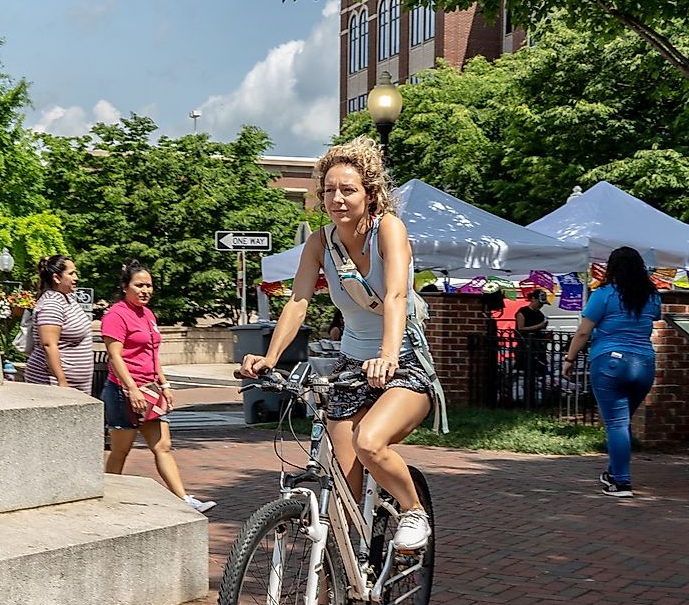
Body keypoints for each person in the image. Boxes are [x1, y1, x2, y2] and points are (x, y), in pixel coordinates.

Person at [239, 136, 439, 552]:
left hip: (402, 361)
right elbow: (298, 301)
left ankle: (413, 510)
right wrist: (270, 358)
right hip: (352, 365)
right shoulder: (320, 241)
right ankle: (332, 594)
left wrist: (387, 356)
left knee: (369, 443)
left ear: (370, 192)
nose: (337, 199)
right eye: (329, 190)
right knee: (340, 492)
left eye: (348, 190)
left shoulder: (388, 229)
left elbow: (397, 297)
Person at [102, 260, 216, 514]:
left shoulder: (148, 314)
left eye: (149, 285)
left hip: (149, 390)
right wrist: (131, 388)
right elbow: (115, 356)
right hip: (123, 392)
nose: (145, 290)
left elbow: (153, 354)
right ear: (124, 287)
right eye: (139, 285)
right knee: (121, 449)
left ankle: (182, 499)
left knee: (162, 445)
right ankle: (103, 499)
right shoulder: (116, 315)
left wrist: (164, 385)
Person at [560, 246, 661, 498]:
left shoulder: (603, 294)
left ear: (612, 268)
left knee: (616, 423)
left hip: (610, 363)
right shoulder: (651, 295)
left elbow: (584, 331)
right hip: (644, 365)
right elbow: (654, 318)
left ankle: (622, 482)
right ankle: (614, 473)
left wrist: (569, 358)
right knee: (622, 423)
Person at [22, 255, 93, 394]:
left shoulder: (67, 298)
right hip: (52, 383)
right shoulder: (51, 304)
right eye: (71, 273)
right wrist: (62, 382)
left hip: (75, 385)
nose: (76, 277)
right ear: (56, 278)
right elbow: (49, 345)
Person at [515, 289, 550, 375]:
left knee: (540, 370)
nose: (541, 306)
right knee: (526, 371)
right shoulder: (523, 311)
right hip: (525, 346)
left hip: (538, 347)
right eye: (540, 303)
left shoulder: (540, 314)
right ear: (533, 299)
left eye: (542, 304)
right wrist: (539, 326)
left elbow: (541, 330)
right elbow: (521, 328)